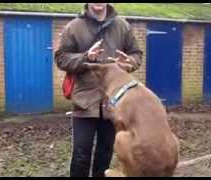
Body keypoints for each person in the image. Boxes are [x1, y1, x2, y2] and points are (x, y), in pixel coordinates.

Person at [55, 3, 143, 177]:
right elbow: (61, 59)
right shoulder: (74, 27)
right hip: (84, 103)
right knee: (81, 154)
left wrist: (129, 63)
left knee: (105, 155)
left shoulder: (122, 26)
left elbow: (136, 54)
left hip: (113, 103)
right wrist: (85, 56)